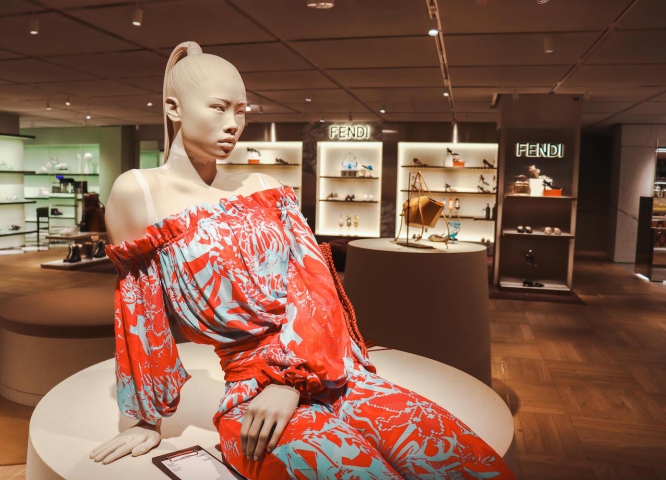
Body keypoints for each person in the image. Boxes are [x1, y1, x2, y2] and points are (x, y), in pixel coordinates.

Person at [91, 41, 515, 479]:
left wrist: (291, 380)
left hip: (332, 370)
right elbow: (140, 310)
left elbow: (315, 287)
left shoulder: (265, 188)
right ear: (173, 108)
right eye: (218, 107)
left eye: (241, 111)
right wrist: (147, 418)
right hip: (251, 397)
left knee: (463, 462)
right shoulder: (139, 193)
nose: (233, 124)